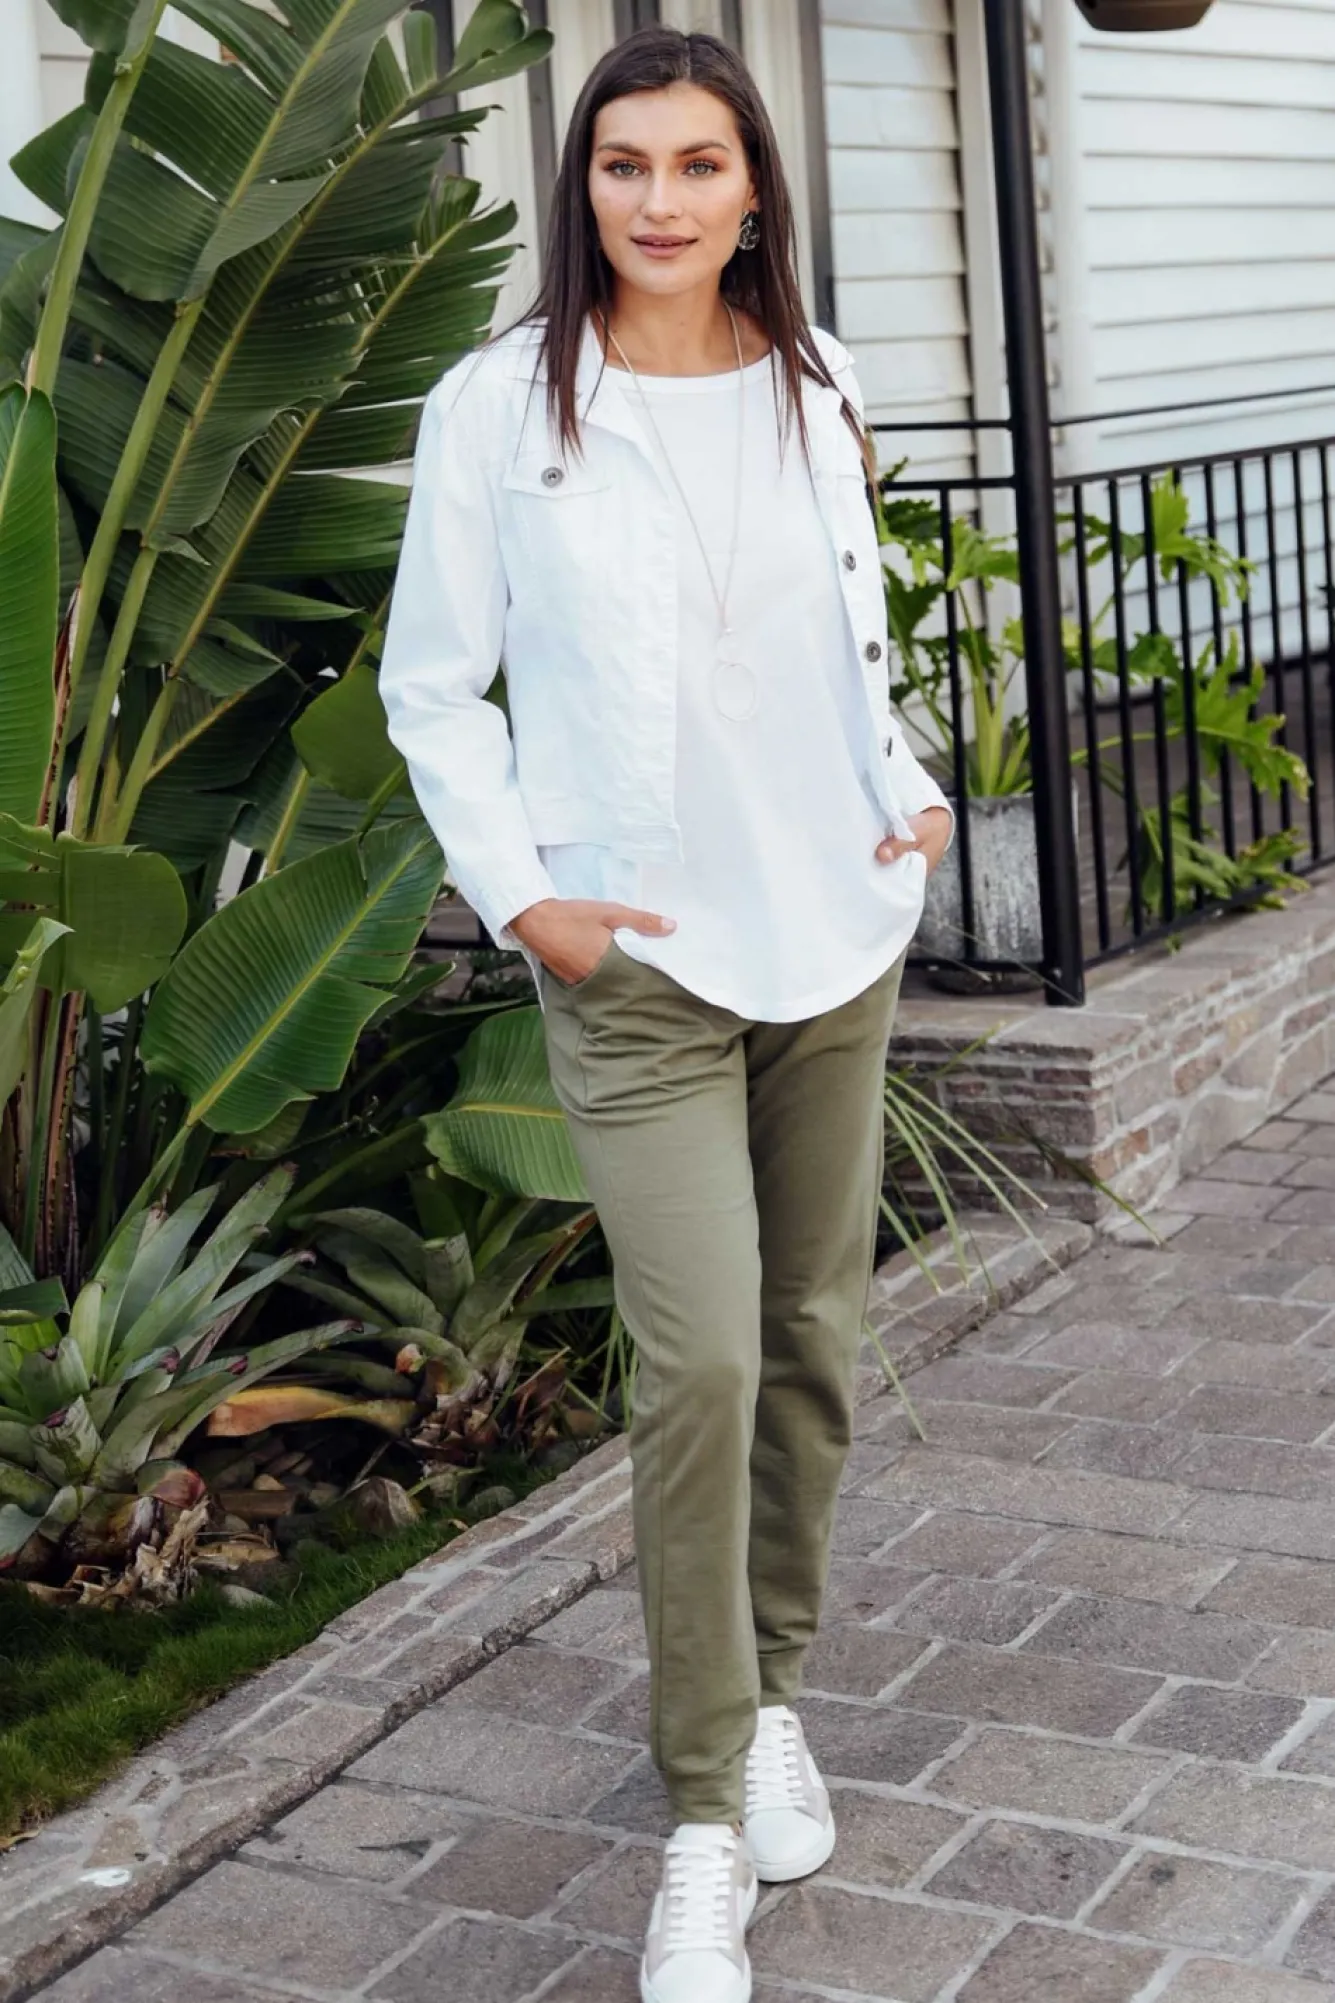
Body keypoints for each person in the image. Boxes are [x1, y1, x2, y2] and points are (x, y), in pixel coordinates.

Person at [379, 25, 952, 2003]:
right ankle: (703, 1808)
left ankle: (769, 1691)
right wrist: (522, 893)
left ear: (753, 189)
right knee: (700, 1358)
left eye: (698, 163)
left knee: (814, 1337)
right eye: (623, 165)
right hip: (636, 960)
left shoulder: (817, 381)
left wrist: (904, 787)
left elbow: (844, 638)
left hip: (834, 934)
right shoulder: (500, 405)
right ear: (582, 188)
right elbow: (432, 682)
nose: (659, 199)